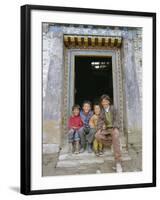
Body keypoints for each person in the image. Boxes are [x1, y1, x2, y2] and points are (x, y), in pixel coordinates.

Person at [95, 94, 123, 172]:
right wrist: (100, 128)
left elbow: (117, 119)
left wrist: (115, 127)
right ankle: (113, 143)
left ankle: (118, 163)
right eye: (103, 102)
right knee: (97, 135)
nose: (104, 103)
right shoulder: (102, 111)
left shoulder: (114, 109)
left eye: (106, 101)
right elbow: (100, 122)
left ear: (108, 102)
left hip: (114, 128)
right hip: (107, 130)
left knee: (116, 135)